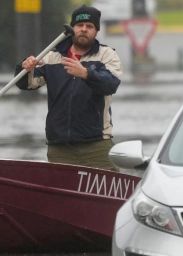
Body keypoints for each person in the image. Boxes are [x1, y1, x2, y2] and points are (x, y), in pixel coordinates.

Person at [17, 5, 123, 171]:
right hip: (59, 147)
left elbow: (111, 84)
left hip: (97, 145)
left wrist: (86, 73)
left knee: (107, 193)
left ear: (96, 31)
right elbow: (27, 84)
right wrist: (25, 68)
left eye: (89, 26)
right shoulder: (51, 56)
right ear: (73, 28)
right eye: (80, 25)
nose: (84, 30)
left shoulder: (107, 55)